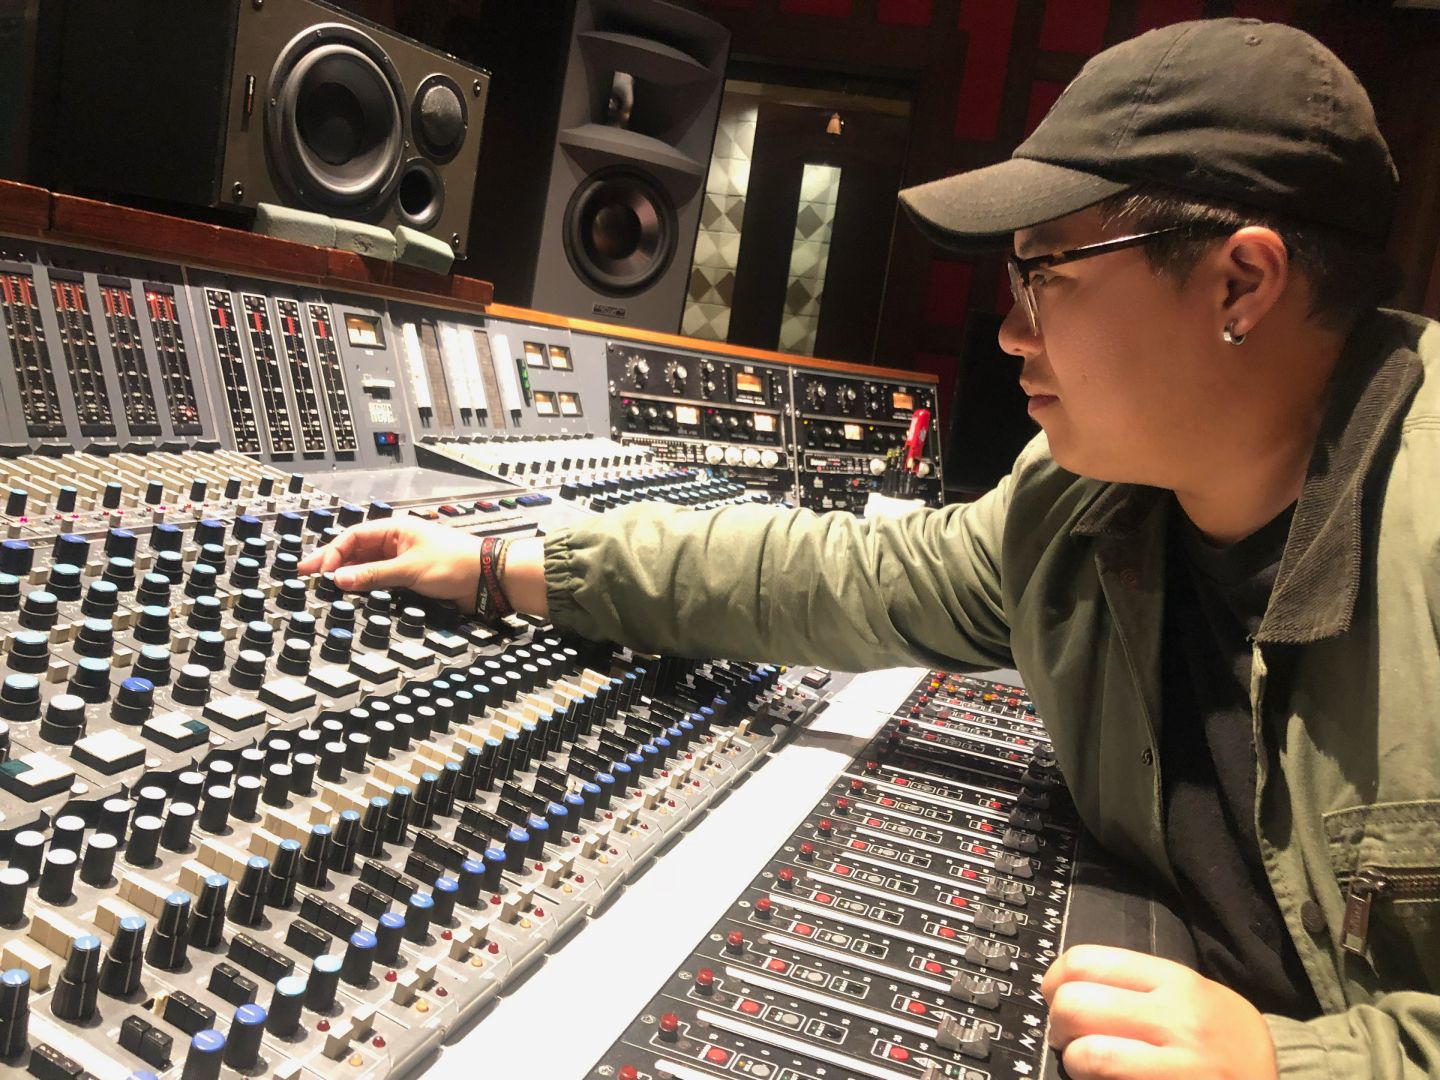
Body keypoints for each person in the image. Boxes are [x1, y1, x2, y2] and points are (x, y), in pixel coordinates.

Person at [296, 18, 1440, 1080]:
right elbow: (838, 575)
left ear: (1241, 282)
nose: (1010, 331)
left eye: (1045, 274)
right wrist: (505, 566)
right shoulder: (1079, 506)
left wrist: (1295, 1066)